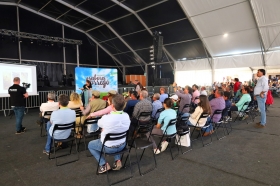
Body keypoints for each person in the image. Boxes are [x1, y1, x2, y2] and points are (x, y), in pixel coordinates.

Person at [88, 95, 130, 173]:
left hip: (109, 148)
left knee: (90, 145)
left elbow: (99, 124)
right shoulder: (126, 116)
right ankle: (117, 160)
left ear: (112, 106)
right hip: (122, 145)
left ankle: (104, 165)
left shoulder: (106, 118)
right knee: (116, 136)